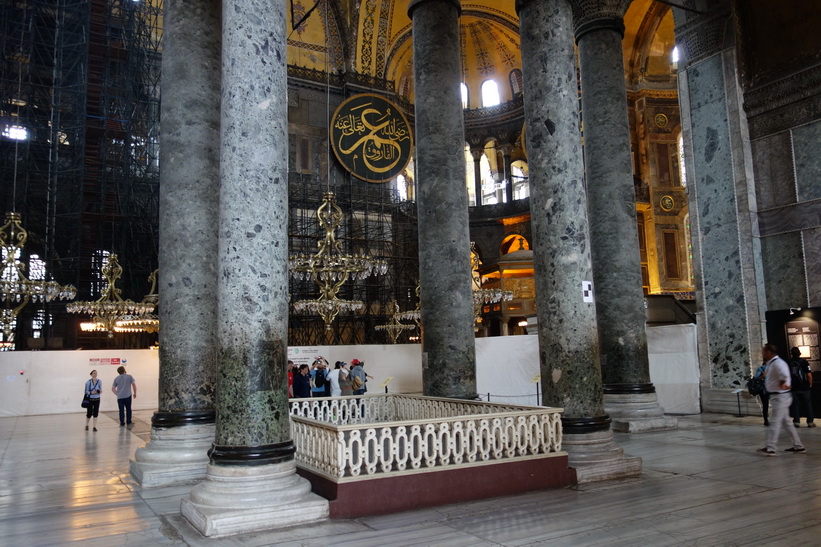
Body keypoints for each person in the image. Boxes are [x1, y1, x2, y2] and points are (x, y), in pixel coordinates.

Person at [758, 344, 805, 456]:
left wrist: (785, 383)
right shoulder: (772, 363)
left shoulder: (778, 363)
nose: (762, 353)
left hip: (780, 397)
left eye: (764, 351)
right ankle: (798, 446)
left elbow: (785, 376)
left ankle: (771, 448)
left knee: (775, 422)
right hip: (778, 396)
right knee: (787, 423)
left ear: (769, 352)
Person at [789, 347, 814, 427]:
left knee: (795, 405)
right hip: (804, 387)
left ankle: (796, 421)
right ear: (799, 353)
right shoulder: (804, 362)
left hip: (793, 388)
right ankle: (810, 422)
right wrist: (810, 384)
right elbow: (809, 375)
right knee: (808, 405)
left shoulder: (789, 362)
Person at [754, 361, 770, 426]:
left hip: (766, 389)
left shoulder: (761, 369)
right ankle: (766, 420)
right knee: (766, 404)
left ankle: (766, 420)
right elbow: (756, 378)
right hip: (765, 389)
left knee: (765, 405)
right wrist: (763, 376)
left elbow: (756, 378)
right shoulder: (762, 369)